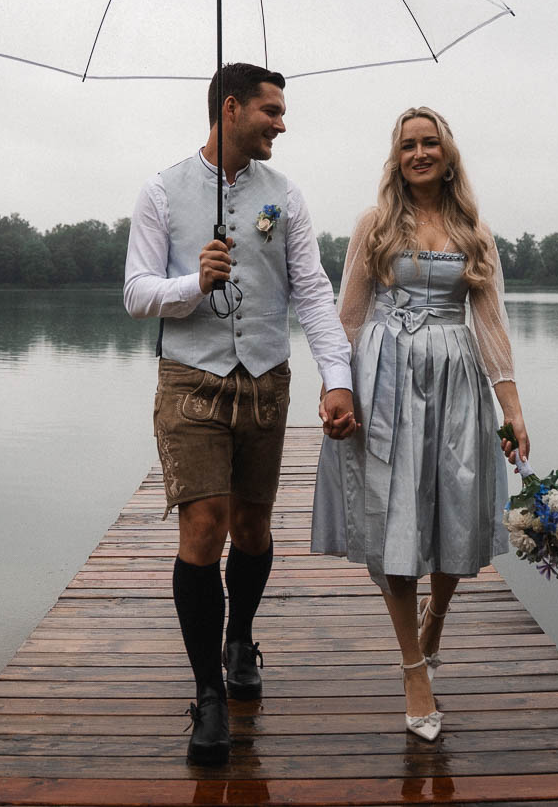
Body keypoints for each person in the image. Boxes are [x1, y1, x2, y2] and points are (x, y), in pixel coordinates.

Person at [123, 62, 356, 767]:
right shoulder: (161, 191)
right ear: (231, 109)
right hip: (189, 381)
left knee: (253, 526)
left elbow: (312, 291)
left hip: (265, 380)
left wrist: (337, 379)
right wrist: (194, 282)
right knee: (206, 523)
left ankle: (240, 638)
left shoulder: (285, 196)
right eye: (270, 111)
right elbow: (135, 293)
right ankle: (209, 696)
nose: (281, 123)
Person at [310, 106, 529, 743]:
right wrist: (335, 389)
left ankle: (436, 620)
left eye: (430, 143)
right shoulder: (374, 225)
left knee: (457, 509)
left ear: (448, 153)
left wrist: (512, 406)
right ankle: (413, 668)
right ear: (396, 156)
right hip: (386, 380)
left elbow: (490, 323)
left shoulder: (474, 231)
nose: (420, 153)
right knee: (395, 520)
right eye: (408, 145)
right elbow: (348, 316)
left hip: (456, 380)